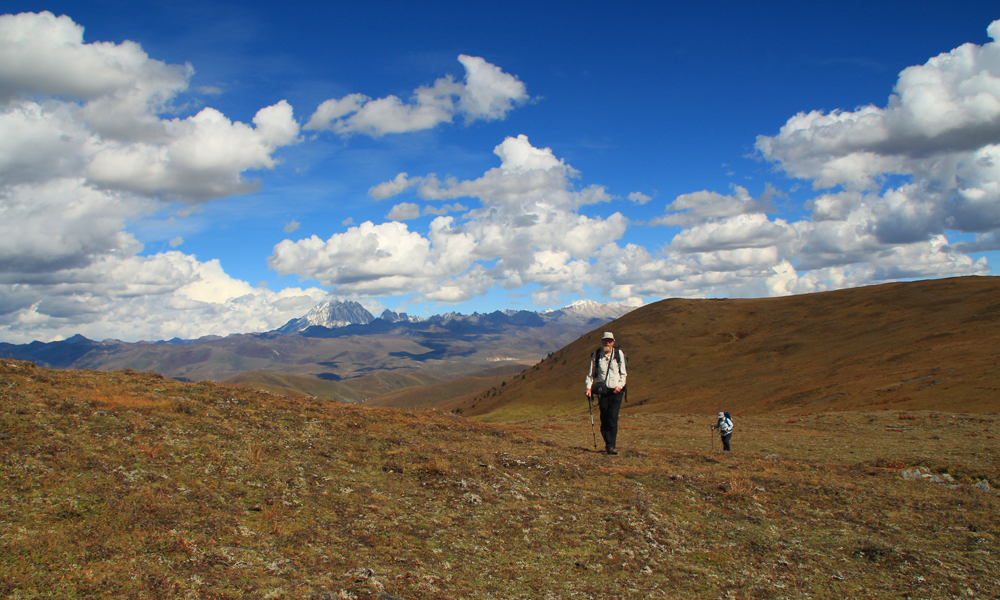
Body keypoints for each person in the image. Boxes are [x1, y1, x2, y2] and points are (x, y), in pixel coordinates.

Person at [585, 331, 627, 455]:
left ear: (613, 342)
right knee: (604, 418)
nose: (607, 342)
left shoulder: (619, 354)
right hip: (603, 392)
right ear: (602, 341)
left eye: (610, 340)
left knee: (613, 418)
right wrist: (588, 388)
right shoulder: (596, 355)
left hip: (616, 392)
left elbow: (623, 374)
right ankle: (608, 442)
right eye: (605, 340)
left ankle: (611, 446)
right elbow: (591, 374)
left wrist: (619, 386)